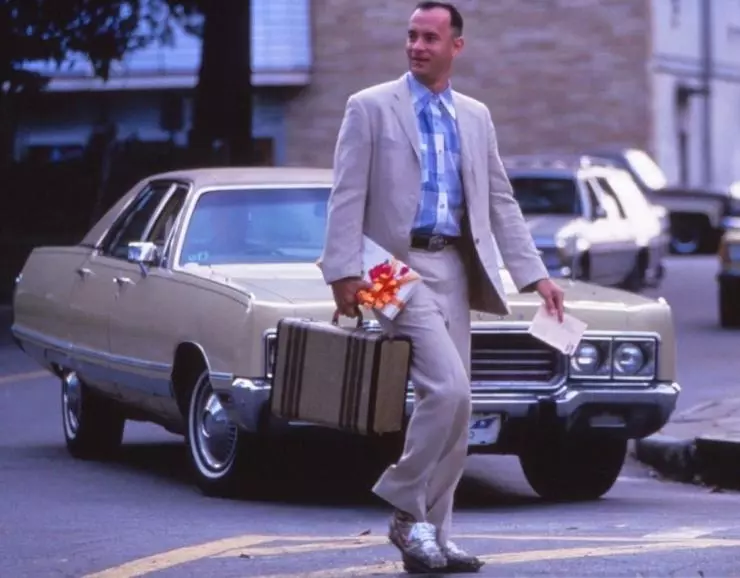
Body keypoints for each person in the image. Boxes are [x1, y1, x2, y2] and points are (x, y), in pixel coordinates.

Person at [318, 1, 565, 573]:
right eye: (412, 36)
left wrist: (537, 275)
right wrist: (343, 272)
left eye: (430, 37)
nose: (417, 46)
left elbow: (499, 200)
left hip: (452, 263)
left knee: (459, 403)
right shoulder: (369, 106)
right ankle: (407, 510)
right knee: (447, 390)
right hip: (386, 267)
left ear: (457, 45)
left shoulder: (475, 116)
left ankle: (436, 532)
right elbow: (346, 193)